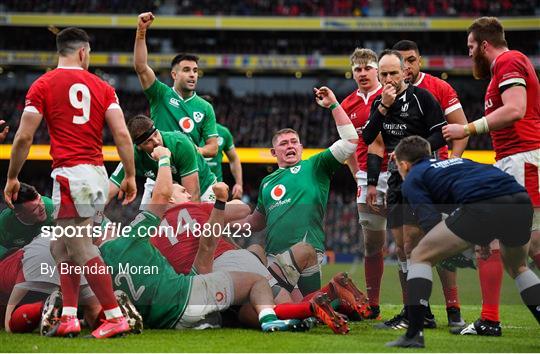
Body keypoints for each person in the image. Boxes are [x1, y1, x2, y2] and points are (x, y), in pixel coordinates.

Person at [3, 27, 137, 338]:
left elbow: (24, 136)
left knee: (78, 247)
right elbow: (121, 134)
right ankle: (69, 316)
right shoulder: (104, 87)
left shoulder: (43, 84)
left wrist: (12, 176)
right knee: (59, 247)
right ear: (82, 52)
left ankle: (115, 316)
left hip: (70, 175)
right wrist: (129, 174)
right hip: (92, 174)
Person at [99, 145, 300, 332]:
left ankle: (243, 314)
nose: (187, 193)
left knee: (253, 263)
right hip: (202, 280)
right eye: (182, 191)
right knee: (266, 269)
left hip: (186, 291)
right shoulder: (194, 208)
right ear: (170, 197)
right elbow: (243, 209)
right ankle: (296, 312)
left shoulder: (147, 239)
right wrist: (221, 204)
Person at [386, 136, 540, 348]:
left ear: (404, 165)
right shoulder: (458, 163)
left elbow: (430, 220)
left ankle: (413, 334)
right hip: (520, 200)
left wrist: (448, 253)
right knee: (518, 267)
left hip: (484, 204)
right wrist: (482, 236)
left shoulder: (413, 177)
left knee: (420, 255)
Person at [443, 16, 540, 335]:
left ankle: (489, 320)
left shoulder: (509, 60)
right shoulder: (505, 67)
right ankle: (489, 319)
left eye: (471, 47)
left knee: (502, 249)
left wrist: (468, 128)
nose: (469, 54)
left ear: (485, 44)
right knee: (517, 253)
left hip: (521, 161)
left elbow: (515, 109)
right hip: (516, 162)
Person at [238, 86, 359, 297]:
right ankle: (339, 299)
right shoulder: (267, 182)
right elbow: (256, 222)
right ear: (274, 152)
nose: (290, 146)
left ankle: (337, 299)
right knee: (295, 307)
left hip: (306, 255)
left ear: (302, 148)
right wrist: (220, 226)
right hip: (274, 257)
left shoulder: (315, 165)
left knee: (299, 307)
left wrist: (333, 104)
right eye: (284, 143)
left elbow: (350, 141)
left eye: (294, 142)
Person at [362, 49, 447, 330]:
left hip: (421, 175)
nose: (388, 78)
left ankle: (420, 311)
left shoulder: (422, 99)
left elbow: (440, 131)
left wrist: (416, 153)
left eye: (393, 73)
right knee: (400, 248)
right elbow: (368, 137)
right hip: (396, 178)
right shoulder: (379, 101)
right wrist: (383, 106)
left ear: (404, 73)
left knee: (413, 244)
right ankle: (415, 310)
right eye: (384, 74)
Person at [393, 39, 469, 327]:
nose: (407, 66)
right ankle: (417, 310)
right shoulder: (388, 93)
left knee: (443, 241)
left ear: (420, 61)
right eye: (401, 62)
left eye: (411, 60)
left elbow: (461, 131)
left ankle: (454, 311)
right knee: (407, 244)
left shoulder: (439, 88)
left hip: (435, 179)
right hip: (401, 179)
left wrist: (450, 164)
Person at [134, 11, 219, 207]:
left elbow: (213, 147)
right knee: (149, 230)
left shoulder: (205, 107)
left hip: (194, 173)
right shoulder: (160, 94)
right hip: (161, 175)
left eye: (196, 71)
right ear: (174, 74)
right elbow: (140, 66)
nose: (192, 75)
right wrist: (141, 32)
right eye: (187, 70)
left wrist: (192, 149)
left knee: (202, 230)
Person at [341, 48, 386, 320]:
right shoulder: (347, 105)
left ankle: (416, 306)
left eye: (367, 68)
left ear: (377, 70)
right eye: (357, 69)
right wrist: (360, 176)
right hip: (366, 181)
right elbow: (348, 148)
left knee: (408, 244)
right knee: (372, 244)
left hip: (396, 175)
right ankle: (375, 304)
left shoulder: (392, 96)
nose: (362, 73)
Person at [108, 114, 217, 203]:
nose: (156, 141)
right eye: (148, 141)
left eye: (156, 134)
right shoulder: (133, 154)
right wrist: (95, 213)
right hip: (169, 190)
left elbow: (193, 196)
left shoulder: (181, 144)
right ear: (139, 147)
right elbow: (111, 187)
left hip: (203, 188)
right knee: (149, 222)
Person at [200, 95, 243, 199]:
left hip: (215, 187)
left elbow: (234, 159)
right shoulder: (188, 131)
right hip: (190, 185)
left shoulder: (223, 132)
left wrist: (239, 184)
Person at [0, 183, 54, 259]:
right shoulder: (4, 223)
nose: (42, 207)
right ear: (20, 215)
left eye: (40, 199)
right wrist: (9, 255)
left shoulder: (52, 208)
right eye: (35, 209)